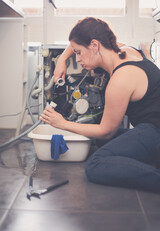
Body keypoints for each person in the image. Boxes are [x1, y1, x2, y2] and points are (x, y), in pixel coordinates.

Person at [40, 17, 160, 193]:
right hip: (151, 127)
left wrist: (62, 124)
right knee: (100, 140)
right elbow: (88, 30)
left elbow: (106, 130)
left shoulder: (121, 79)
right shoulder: (122, 50)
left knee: (96, 164)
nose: (78, 58)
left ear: (94, 46)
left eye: (79, 52)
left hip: (156, 131)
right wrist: (62, 59)